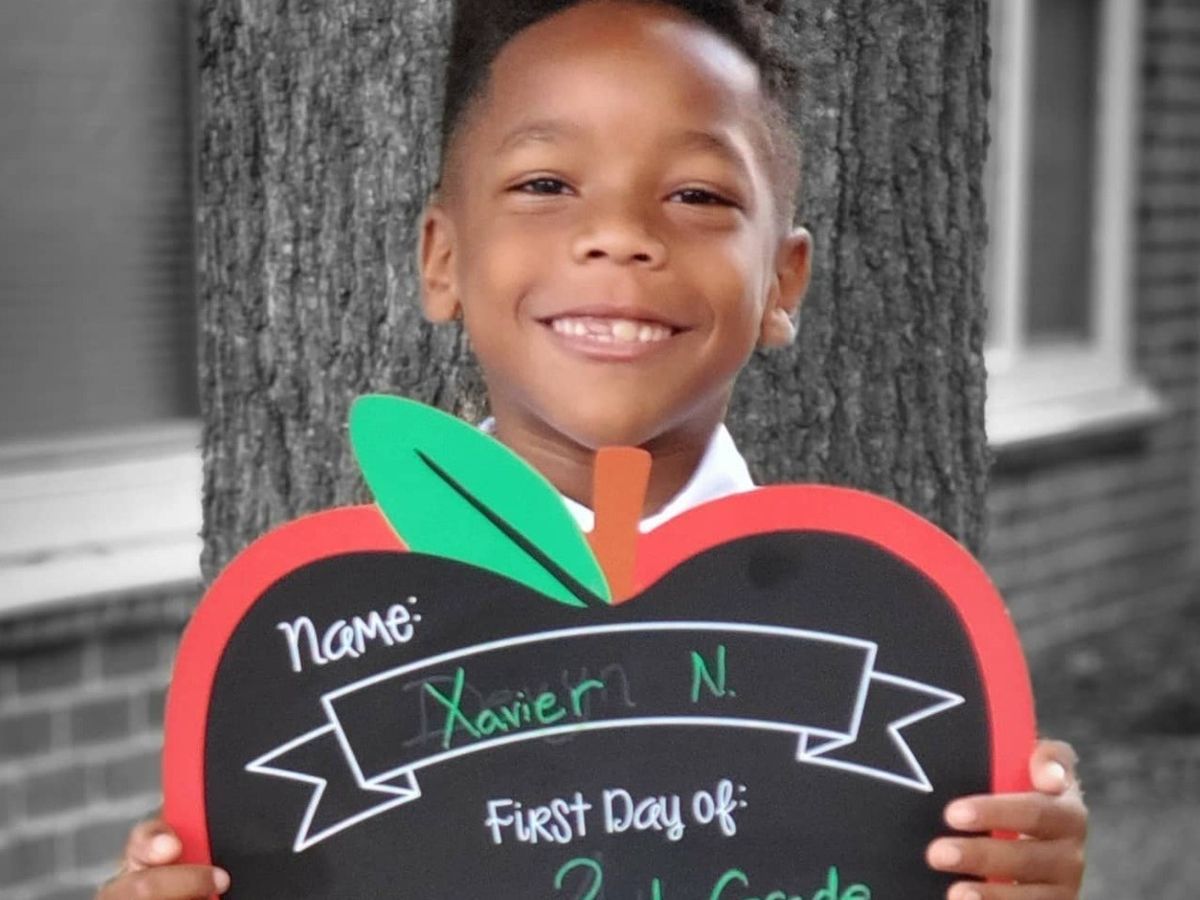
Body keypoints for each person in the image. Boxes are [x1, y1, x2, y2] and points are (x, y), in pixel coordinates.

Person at [98, 2, 1087, 897]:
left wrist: (1019, 879)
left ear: (782, 282)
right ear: (443, 258)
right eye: (545, 183)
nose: (618, 234)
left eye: (697, 195)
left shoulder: (889, 624)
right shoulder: (304, 648)